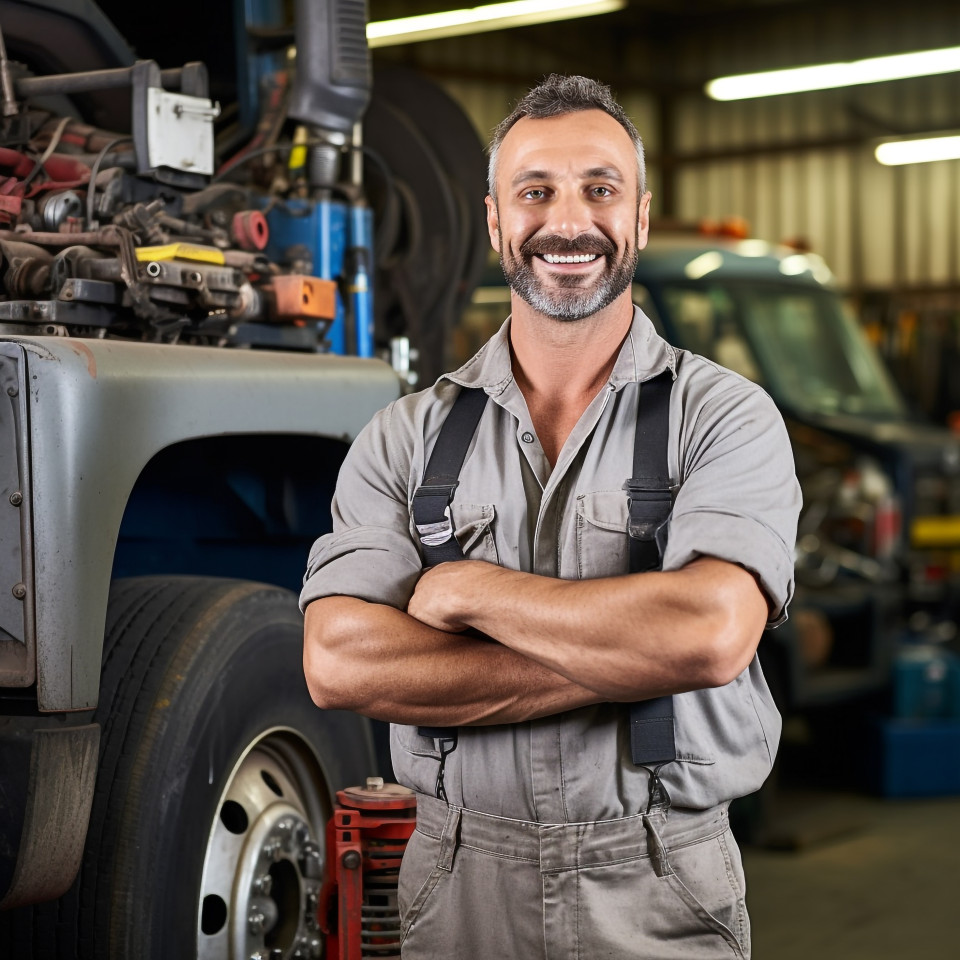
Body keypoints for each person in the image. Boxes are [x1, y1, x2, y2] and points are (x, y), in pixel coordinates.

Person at [301, 74, 800, 960]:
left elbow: (712, 635)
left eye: (599, 189)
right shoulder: (404, 436)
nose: (568, 222)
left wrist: (467, 588)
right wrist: (634, 650)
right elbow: (339, 659)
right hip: (455, 878)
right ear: (495, 221)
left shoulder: (725, 416)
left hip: (659, 878)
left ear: (639, 216)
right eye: (535, 191)